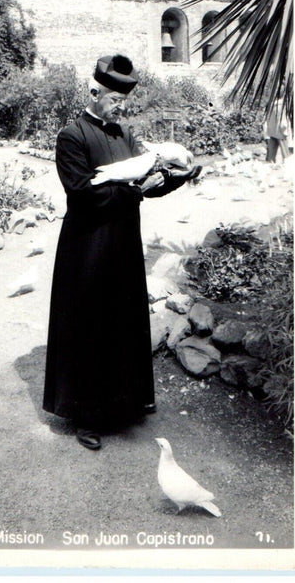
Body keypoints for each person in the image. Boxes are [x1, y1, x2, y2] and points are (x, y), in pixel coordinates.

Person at [43, 54, 199, 449]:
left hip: (123, 242)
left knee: (121, 321)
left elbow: (147, 180)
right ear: (94, 92)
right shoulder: (72, 135)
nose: (120, 106)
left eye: (123, 100)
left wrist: (178, 178)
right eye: (114, 98)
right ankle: (85, 417)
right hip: (87, 247)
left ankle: (123, 406)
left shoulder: (124, 135)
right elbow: (81, 192)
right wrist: (134, 191)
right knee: (89, 323)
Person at [264, 97, 291, 163]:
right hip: (280, 130)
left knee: (271, 153)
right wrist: (284, 129)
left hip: (271, 130)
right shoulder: (282, 104)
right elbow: (282, 118)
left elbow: (266, 118)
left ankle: (271, 163)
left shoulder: (270, 103)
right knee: (285, 153)